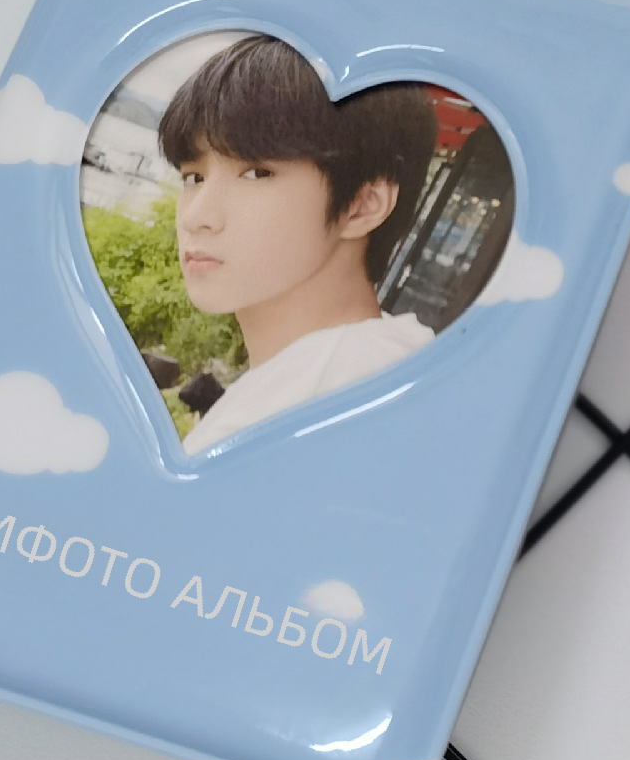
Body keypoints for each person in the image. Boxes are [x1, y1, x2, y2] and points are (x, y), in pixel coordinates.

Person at [156, 35, 440, 453]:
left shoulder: (312, 403)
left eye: (257, 173)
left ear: (362, 206)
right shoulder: (390, 370)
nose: (197, 216)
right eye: (193, 177)